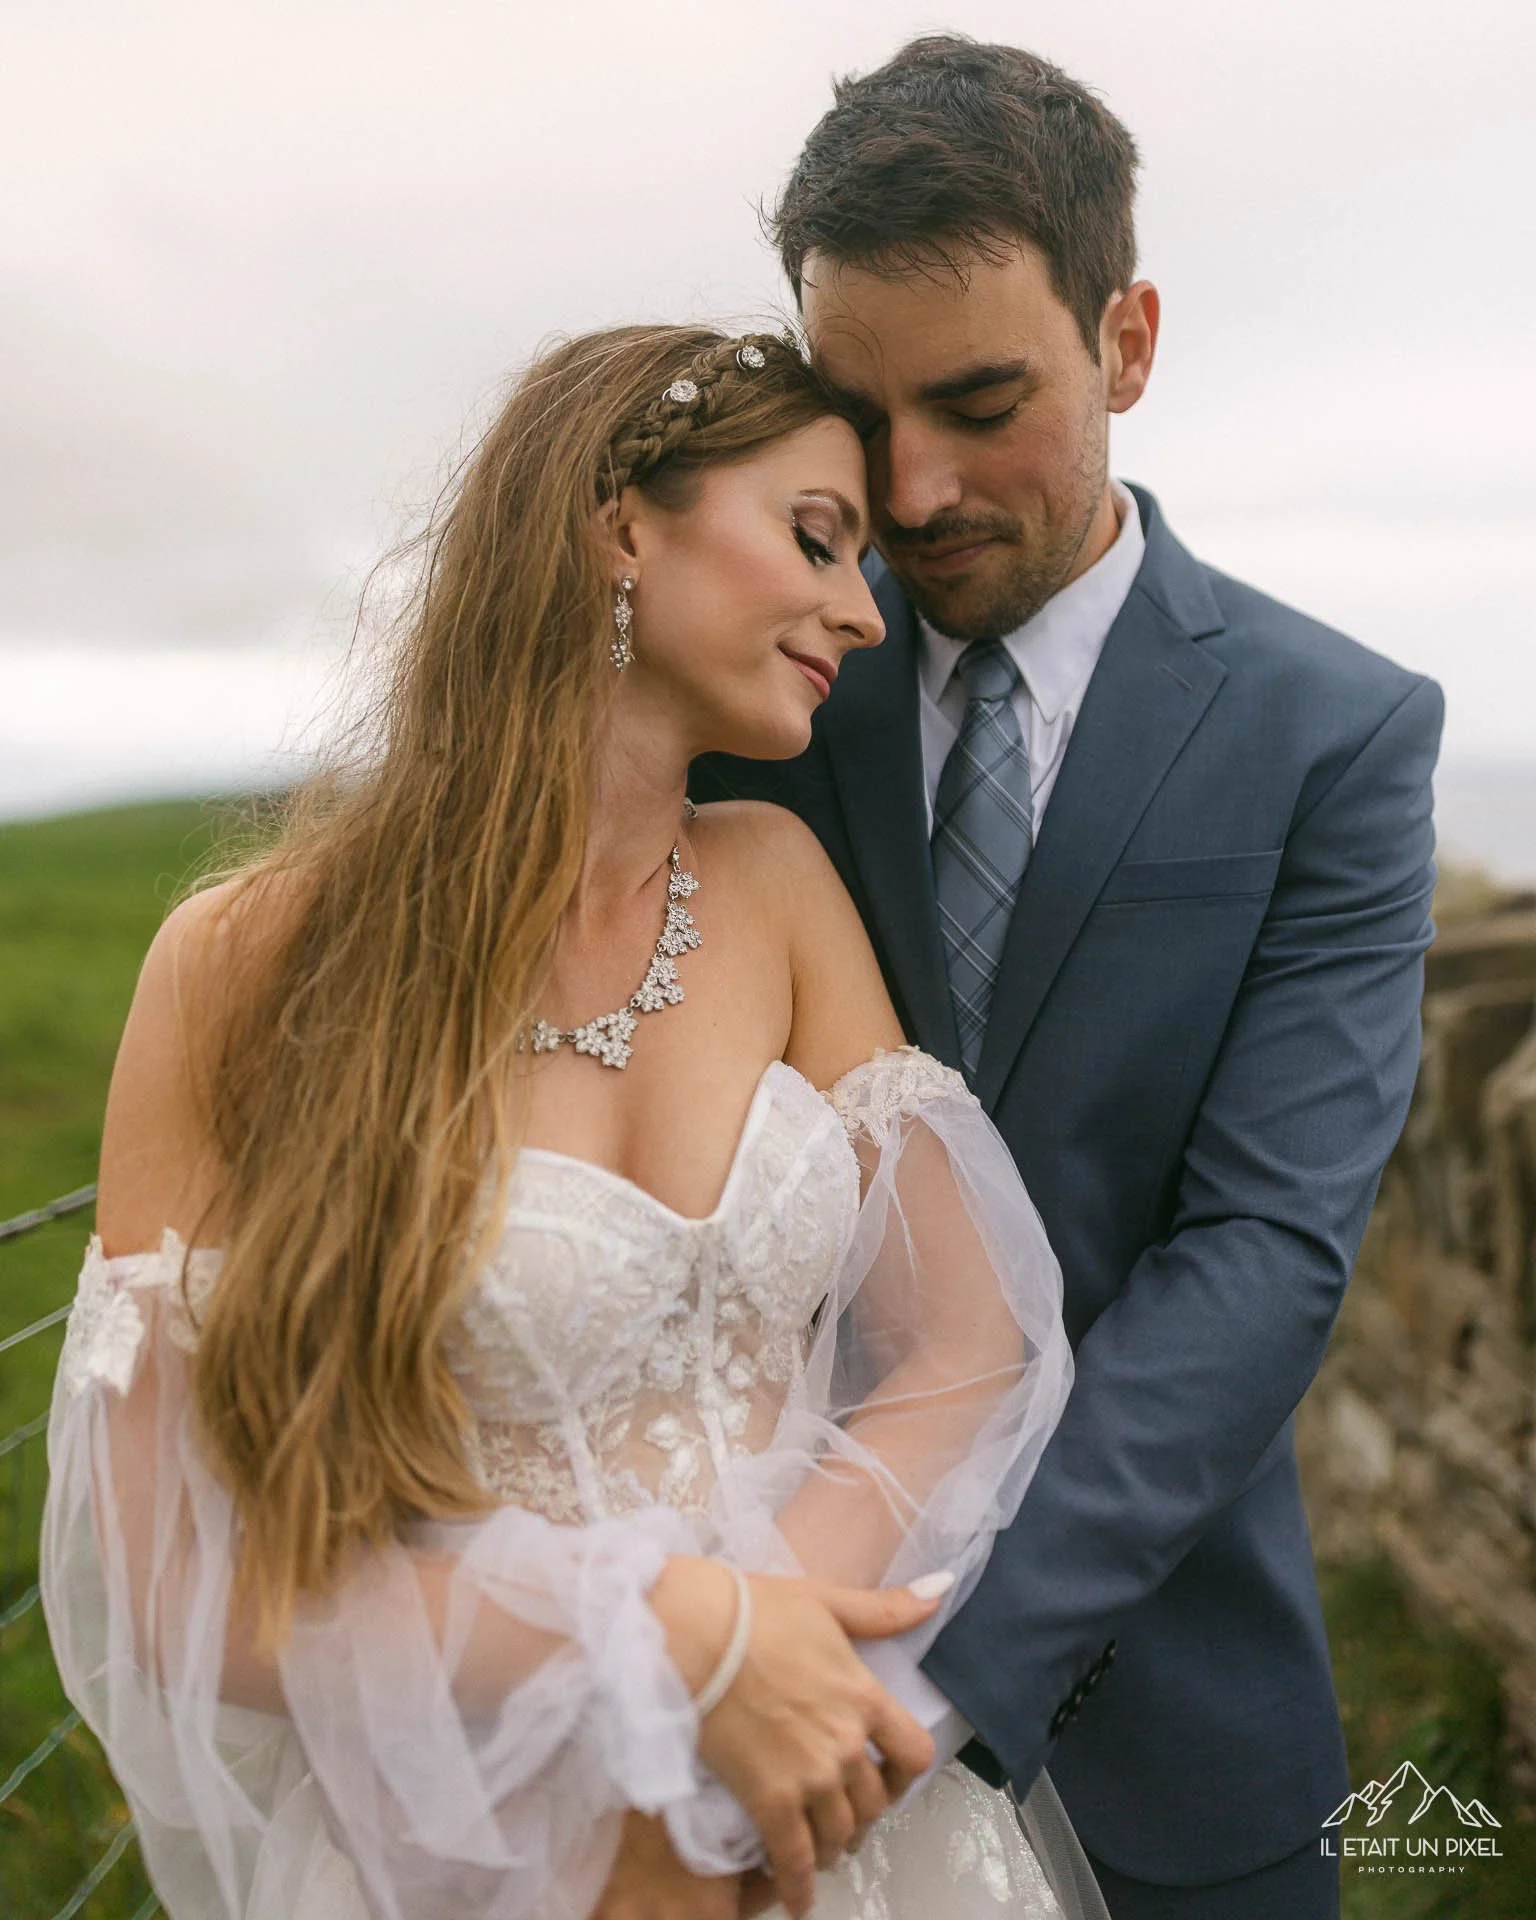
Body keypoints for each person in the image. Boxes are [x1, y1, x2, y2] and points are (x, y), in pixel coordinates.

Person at [41, 325, 1109, 1920]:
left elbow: (966, 1346)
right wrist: (652, 1637)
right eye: (817, 538)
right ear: (621, 520)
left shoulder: (778, 888)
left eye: (865, 562)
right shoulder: (241, 966)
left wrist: (739, 1678)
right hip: (459, 1839)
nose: (860, 610)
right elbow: (182, 1585)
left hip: (798, 1802)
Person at [690, 36, 1443, 1920]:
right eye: (862, 417)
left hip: (1168, 1717)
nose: (917, 487)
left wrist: (921, 1680)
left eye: (981, 397)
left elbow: (1261, 1257)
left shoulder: (1336, 733)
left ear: (1128, 341)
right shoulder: (747, 709)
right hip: (734, 1716)